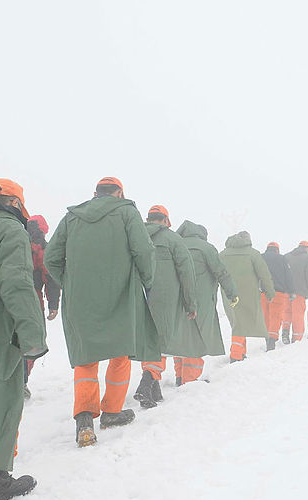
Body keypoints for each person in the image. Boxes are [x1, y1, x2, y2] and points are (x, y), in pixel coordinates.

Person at [45, 177, 160, 447]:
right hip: (120, 294)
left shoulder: (72, 218)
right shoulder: (127, 211)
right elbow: (143, 250)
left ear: (94, 193)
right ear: (119, 192)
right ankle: (111, 412)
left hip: (80, 300)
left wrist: (71, 283)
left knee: (86, 358)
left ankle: (84, 418)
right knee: (120, 353)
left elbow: (51, 257)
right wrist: (148, 280)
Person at [0, 180, 48, 500]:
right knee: (5, 400)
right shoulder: (8, 228)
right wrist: (33, 337)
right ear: (15, 204)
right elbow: (17, 285)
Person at [132, 206, 198, 409]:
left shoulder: (136, 236)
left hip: (137, 294)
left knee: (147, 339)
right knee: (160, 340)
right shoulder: (173, 239)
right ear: (166, 221)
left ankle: (154, 388)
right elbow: (187, 272)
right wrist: (190, 303)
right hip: (165, 296)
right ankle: (146, 382)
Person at [168, 221, 237, 371]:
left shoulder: (174, 243)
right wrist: (232, 293)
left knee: (181, 336)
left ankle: (180, 376)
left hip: (176, 300)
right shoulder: (206, 248)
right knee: (197, 338)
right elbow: (221, 272)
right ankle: (190, 380)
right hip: (201, 301)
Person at [219, 231, 274, 358]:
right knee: (241, 323)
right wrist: (269, 293)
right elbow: (264, 275)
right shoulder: (253, 254)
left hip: (228, 292)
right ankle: (236, 355)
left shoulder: (222, 254)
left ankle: (240, 352)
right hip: (248, 293)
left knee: (237, 321)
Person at [24, 214, 61, 399]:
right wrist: (53, 304)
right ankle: (22, 382)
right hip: (33, 301)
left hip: (5, 300)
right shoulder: (42, 248)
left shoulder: (15, 239)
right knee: (32, 342)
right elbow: (50, 277)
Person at [261, 241, 293, 351]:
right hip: (278, 293)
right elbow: (288, 276)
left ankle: (266, 337)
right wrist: (291, 291)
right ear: (277, 250)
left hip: (263, 292)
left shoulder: (260, 257)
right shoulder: (282, 259)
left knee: (265, 316)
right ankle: (272, 340)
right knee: (276, 316)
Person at [283, 241, 308, 343]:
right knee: (298, 315)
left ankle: (285, 331)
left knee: (286, 312)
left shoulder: (286, 256)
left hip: (285, 291)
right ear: (307, 248)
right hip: (299, 292)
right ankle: (296, 338)